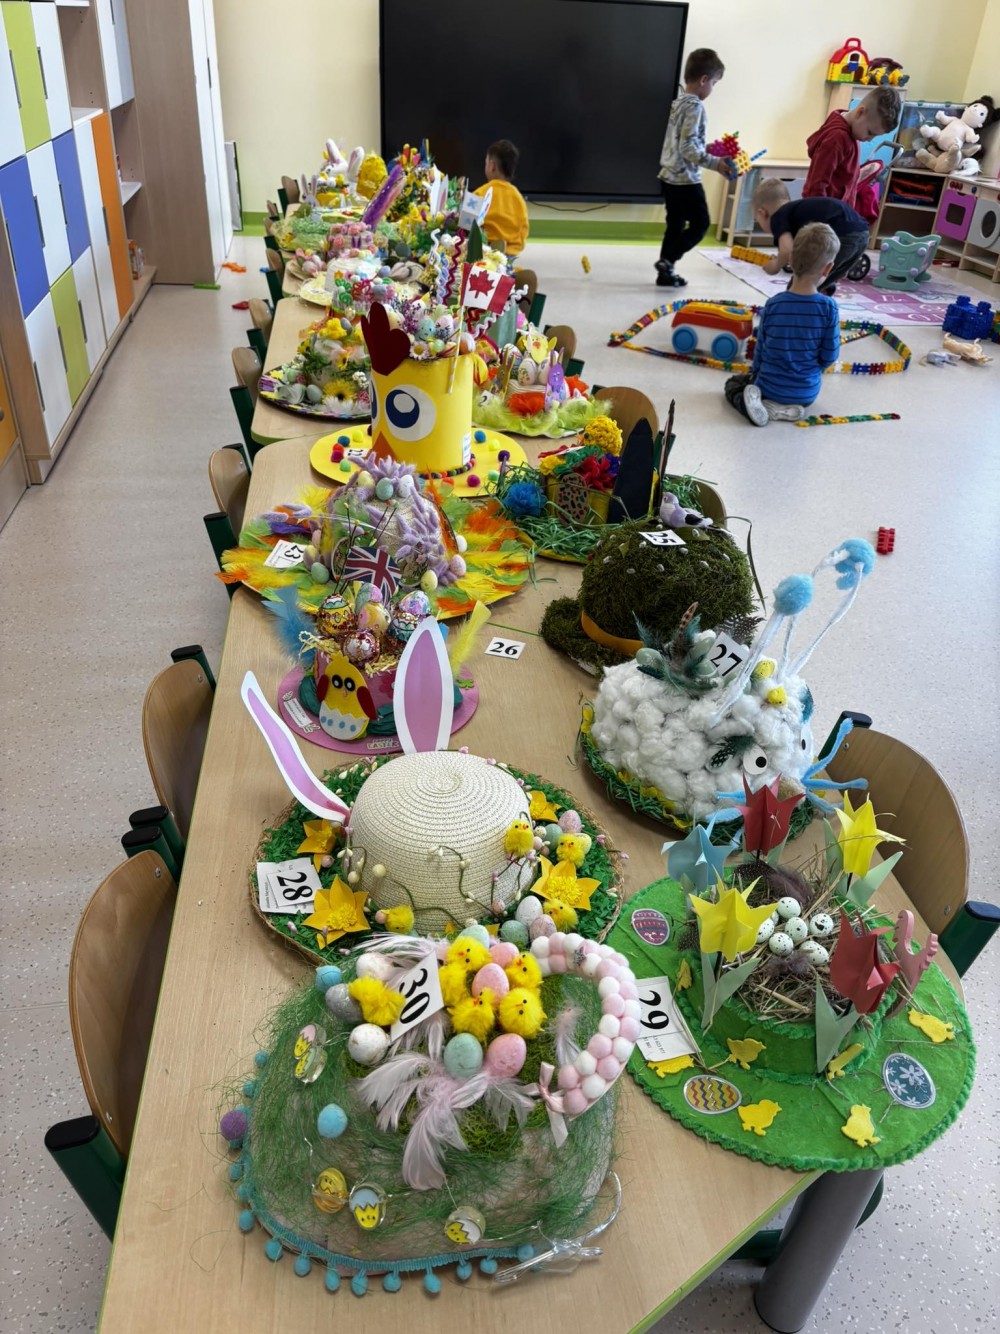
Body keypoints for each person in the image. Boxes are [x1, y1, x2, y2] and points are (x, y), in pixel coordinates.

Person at [724, 223, 840, 427]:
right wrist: (812, 370)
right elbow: (830, 355)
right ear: (828, 268)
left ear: (791, 259)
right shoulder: (829, 308)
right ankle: (781, 409)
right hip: (806, 393)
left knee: (732, 384)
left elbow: (761, 348)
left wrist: (756, 373)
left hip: (769, 388)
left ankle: (753, 405)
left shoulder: (774, 304)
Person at [655, 48, 732, 288]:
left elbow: (682, 143)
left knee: (675, 225)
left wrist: (709, 149)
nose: (712, 89)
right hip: (685, 180)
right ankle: (668, 260)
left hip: (668, 176)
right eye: (714, 83)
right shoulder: (695, 106)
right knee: (701, 224)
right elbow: (688, 148)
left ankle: (665, 274)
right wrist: (716, 164)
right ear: (704, 80)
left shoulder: (677, 103)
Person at [752, 177, 870, 296]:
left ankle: (798, 304)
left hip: (844, 234)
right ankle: (821, 298)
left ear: (763, 213)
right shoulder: (795, 211)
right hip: (862, 231)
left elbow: (787, 250)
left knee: (799, 285)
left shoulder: (777, 217)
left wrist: (775, 265)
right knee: (823, 278)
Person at [803, 87, 901, 209]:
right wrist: (820, 216)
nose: (869, 139)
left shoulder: (851, 131)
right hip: (825, 212)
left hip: (839, 208)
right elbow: (816, 184)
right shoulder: (836, 139)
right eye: (870, 132)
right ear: (860, 113)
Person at [474, 140, 529, 257]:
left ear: (492, 166)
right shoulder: (518, 199)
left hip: (483, 254)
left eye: (486, 163)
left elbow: (465, 227)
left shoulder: (480, 193)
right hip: (509, 256)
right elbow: (523, 232)